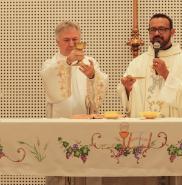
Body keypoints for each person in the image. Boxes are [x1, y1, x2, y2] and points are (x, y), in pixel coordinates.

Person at [118, 13, 182, 185]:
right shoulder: (137, 62)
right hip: (143, 137)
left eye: (162, 29)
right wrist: (127, 89)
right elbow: (126, 97)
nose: (157, 33)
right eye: (153, 29)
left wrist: (167, 75)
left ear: (172, 32)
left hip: (174, 135)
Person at [40, 21, 108, 185]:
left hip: (86, 126)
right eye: (66, 40)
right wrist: (67, 63)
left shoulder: (90, 61)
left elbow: (100, 88)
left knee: (86, 166)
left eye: (75, 39)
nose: (71, 44)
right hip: (59, 125)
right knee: (59, 167)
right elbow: (50, 81)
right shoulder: (50, 64)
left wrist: (93, 76)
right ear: (57, 42)